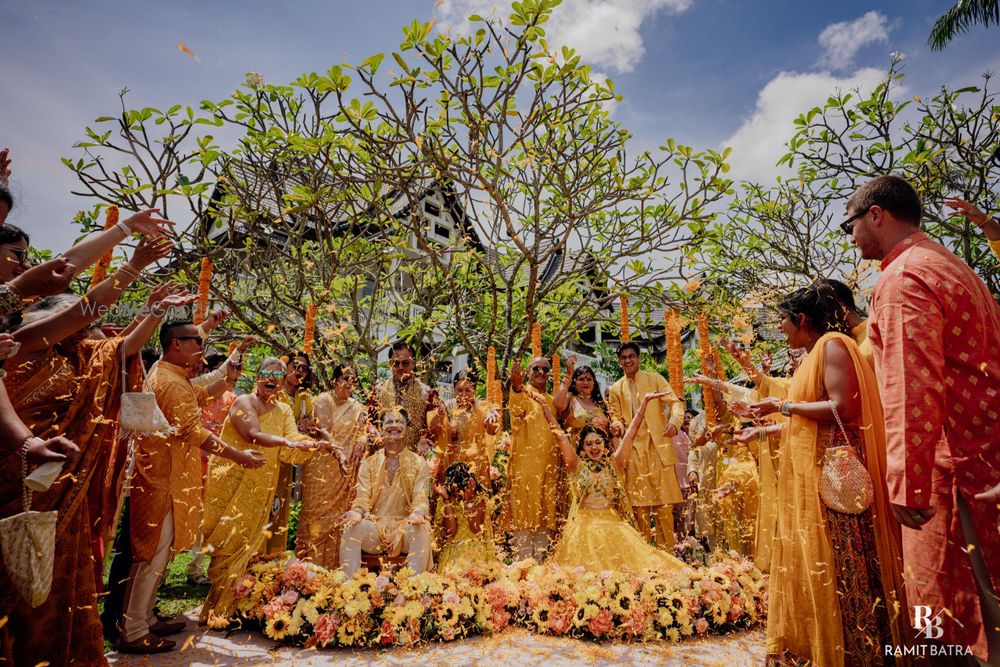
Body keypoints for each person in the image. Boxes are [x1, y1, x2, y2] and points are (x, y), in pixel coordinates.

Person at [847, 175, 1000, 662]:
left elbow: (912, 386)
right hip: (983, 461)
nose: (850, 238)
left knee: (939, 620)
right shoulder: (953, 266)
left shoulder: (902, 278)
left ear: (876, 215)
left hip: (947, 478)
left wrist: (909, 483)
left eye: (849, 224)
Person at [749, 283, 908, 666]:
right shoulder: (815, 353)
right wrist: (771, 425)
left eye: (784, 320)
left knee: (843, 567)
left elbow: (843, 410)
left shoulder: (834, 345)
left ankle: (855, 652)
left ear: (803, 320)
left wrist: (782, 406)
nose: (782, 328)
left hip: (834, 480)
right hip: (816, 477)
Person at [118, 320, 265, 654]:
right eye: (196, 342)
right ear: (176, 345)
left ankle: (146, 618)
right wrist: (239, 455)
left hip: (171, 480)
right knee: (151, 556)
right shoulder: (168, 382)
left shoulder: (175, 376)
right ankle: (133, 629)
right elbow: (193, 433)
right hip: (161, 482)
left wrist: (231, 365)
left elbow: (203, 390)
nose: (201, 349)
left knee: (162, 554)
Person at [200, 358, 327, 623]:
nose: (272, 379)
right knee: (230, 543)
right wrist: (288, 440)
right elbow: (253, 435)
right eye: (266, 374)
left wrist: (317, 443)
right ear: (257, 377)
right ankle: (218, 610)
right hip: (233, 482)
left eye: (278, 375)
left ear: (283, 381)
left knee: (256, 545)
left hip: (263, 486)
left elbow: (291, 446)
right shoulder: (243, 402)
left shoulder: (283, 410)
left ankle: (243, 608)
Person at [530, 390, 689, 574]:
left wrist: (644, 404)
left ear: (605, 444)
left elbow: (631, 432)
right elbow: (559, 434)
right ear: (582, 449)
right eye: (588, 444)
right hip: (583, 527)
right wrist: (544, 407)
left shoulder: (615, 463)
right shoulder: (576, 464)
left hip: (613, 524)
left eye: (598, 442)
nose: (594, 447)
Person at [606, 342, 685, 551]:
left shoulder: (655, 379)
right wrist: (615, 426)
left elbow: (675, 402)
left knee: (664, 508)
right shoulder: (615, 389)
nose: (628, 361)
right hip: (633, 452)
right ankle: (642, 561)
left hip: (657, 448)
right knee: (638, 510)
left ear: (639, 358)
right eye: (623, 358)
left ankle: (667, 557)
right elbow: (615, 417)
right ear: (619, 361)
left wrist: (675, 423)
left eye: (631, 356)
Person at [340, 408, 432, 576]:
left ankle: (413, 591)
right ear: (381, 429)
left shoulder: (419, 463)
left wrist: (418, 512)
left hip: (405, 527)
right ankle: (349, 591)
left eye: (399, 422)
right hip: (375, 528)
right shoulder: (369, 463)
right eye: (389, 422)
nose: (394, 425)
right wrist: (357, 511)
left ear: (407, 429)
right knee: (351, 528)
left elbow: (421, 496)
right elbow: (363, 496)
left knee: (422, 528)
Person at [295, 363, 369, 570]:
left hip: (346, 471)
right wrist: (340, 453)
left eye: (353, 380)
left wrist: (362, 441)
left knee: (340, 519)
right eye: (345, 378)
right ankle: (307, 569)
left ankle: (335, 569)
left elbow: (363, 430)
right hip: (323, 465)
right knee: (315, 515)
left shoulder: (357, 407)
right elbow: (325, 430)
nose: (349, 383)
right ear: (335, 380)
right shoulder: (323, 400)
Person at [506, 357, 561, 560]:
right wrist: (516, 384)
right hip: (526, 467)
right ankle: (523, 569)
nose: (540, 372)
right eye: (536, 368)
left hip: (549, 466)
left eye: (545, 369)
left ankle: (541, 574)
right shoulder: (523, 393)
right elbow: (515, 407)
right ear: (528, 372)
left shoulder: (552, 400)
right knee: (525, 514)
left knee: (546, 515)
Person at [263, 350, 315, 555]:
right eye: (296, 365)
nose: (300, 370)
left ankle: (274, 554)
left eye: (304, 368)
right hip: (269, 454)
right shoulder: (273, 389)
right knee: (265, 502)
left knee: (280, 503)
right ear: (286, 366)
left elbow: (310, 420)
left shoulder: (304, 397)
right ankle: (256, 553)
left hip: (288, 458)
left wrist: (308, 424)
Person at [367, 340, 448, 455]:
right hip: (384, 457)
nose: (400, 367)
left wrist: (424, 439)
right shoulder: (378, 391)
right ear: (390, 364)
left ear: (413, 363)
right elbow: (369, 422)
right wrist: (373, 432)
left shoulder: (427, 393)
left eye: (405, 363)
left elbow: (435, 427)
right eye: (396, 363)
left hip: (414, 459)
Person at [436, 370, 500, 491]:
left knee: (476, 500)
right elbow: (436, 432)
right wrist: (448, 428)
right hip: (451, 461)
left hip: (476, 464)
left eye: (468, 390)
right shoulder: (447, 407)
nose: (464, 394)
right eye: (459, 390)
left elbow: (492, 432)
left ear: (474, 390)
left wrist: (492, 421)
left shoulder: (484, 408)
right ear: (454, 390)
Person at [436, 462, 497, 574]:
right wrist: (446, 500)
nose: (457, 491)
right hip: (453, 553)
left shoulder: (480, 498)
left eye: (459, 486)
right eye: (453, 486)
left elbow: (477, 530)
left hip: (475, 552)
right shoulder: (446, 499)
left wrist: (468, 502)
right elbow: (452, 532)